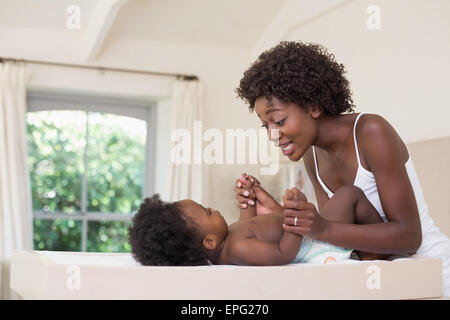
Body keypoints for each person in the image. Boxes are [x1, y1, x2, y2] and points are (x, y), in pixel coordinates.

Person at [234, 41, 450, 295]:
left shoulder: (371, 132)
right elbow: (336, 238)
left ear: (313, 106)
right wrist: (277, 211)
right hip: (381, 277)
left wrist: (322, 228)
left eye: (279, 121)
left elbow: (409, 237)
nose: (272, 135)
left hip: (433, 274)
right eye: (266, 126)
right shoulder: (312, 156)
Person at [128, 175, 387, 266]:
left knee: (345, 196)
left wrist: (248, 200)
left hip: (312, 234)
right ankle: (381, 246)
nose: (212, 208)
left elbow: (248, 225)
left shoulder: (229, 239)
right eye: (207, 212)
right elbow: (282, 254)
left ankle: (370, 248)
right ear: (209, 241)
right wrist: (295, 218)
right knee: (349, 194)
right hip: (318, 245)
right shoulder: (238, 250)